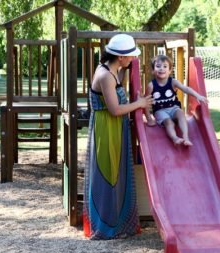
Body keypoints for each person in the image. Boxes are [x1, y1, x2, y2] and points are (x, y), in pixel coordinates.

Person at [83, 34, 154, 239]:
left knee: (116, 172)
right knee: (107, 173)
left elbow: (119, 86)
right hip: (106, 128)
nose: (132, 59)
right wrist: (140, 104)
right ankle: (105, 226)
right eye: (130, 56)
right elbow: (114, 109)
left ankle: (116, 221)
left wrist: (128, 71)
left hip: (114, 128)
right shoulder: (105, 75)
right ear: (120, 57)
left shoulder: (114, 69)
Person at [145, 54, 208, 146]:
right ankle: (175, 138)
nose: (161, 69)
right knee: (168, 122)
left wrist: (198, 96)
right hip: (160, 111)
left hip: (174, 108)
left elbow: (185, 89)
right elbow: (145, 102)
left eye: (165, 66)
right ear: (153, 70)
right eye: (158, 66)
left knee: (181, 114)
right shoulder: (151, 86)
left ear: (170, 70)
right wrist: (149, 118)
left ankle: (186, 137)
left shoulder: (173, 82)